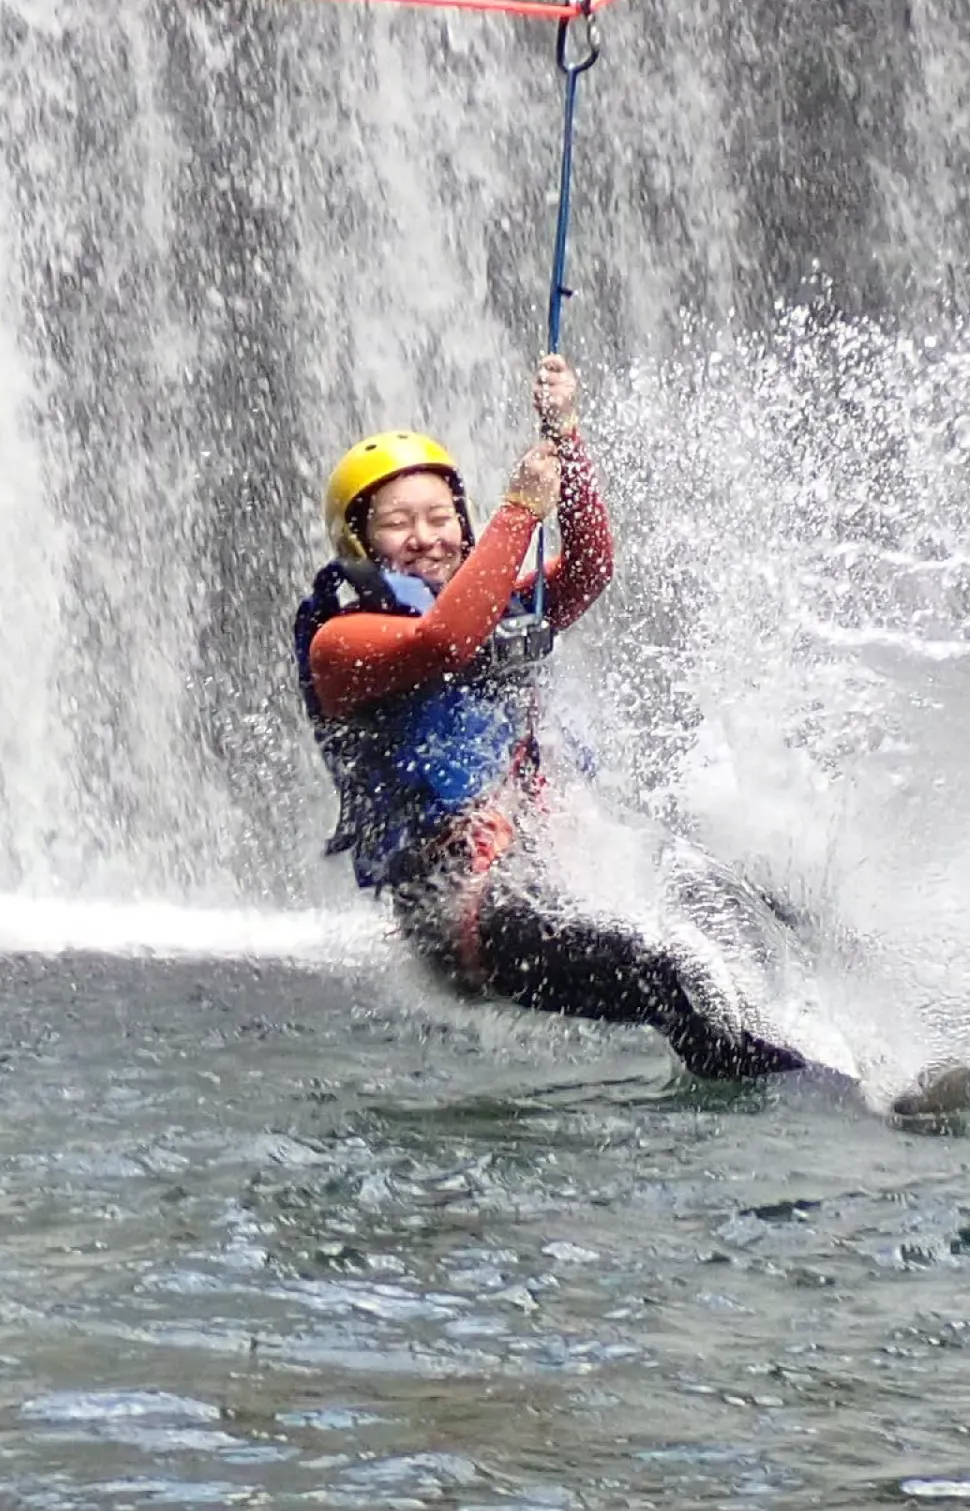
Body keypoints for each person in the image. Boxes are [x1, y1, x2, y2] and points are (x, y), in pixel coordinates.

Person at [294, 354, 822, 1082]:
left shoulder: (501, 607)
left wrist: (566, 440)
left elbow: (588, 569)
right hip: (466, 914)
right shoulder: (341, 643)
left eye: (441, 516)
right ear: (360, 543)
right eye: (398, 524)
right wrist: (519, 510)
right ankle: (820, 1089)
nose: (427, 537)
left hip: (548, 865)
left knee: (771, 914)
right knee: (674, 979)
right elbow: (442, 641)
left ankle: (936, 1022)